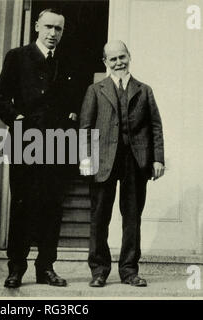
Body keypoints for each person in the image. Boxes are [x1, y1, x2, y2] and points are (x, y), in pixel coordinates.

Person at [0, 8, 79, 288]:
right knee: (22, 206)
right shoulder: (17, 57)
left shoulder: (67, 61)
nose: (53, 33)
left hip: (57, 143)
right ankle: (16, 268)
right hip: (24, 141)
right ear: (37, 27)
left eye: (59, 29)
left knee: (52, 207)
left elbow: (75, 102)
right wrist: (18, 119)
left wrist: (71, 124)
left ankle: (46, 268)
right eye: (49, 27)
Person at [79, 40, 165, 287]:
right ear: (105, 62)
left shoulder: (144, 90)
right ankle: (99, 271)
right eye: (113, 59)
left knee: (132, 219)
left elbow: (156, 126)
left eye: (122, 57)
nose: (118, 62)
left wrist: (157, 158)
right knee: (99, 218)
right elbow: (85, 128)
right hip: (103, 161)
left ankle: (129, 271)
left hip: (135, 162)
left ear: (129, 57)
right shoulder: (95, 90)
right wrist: (85, 159)